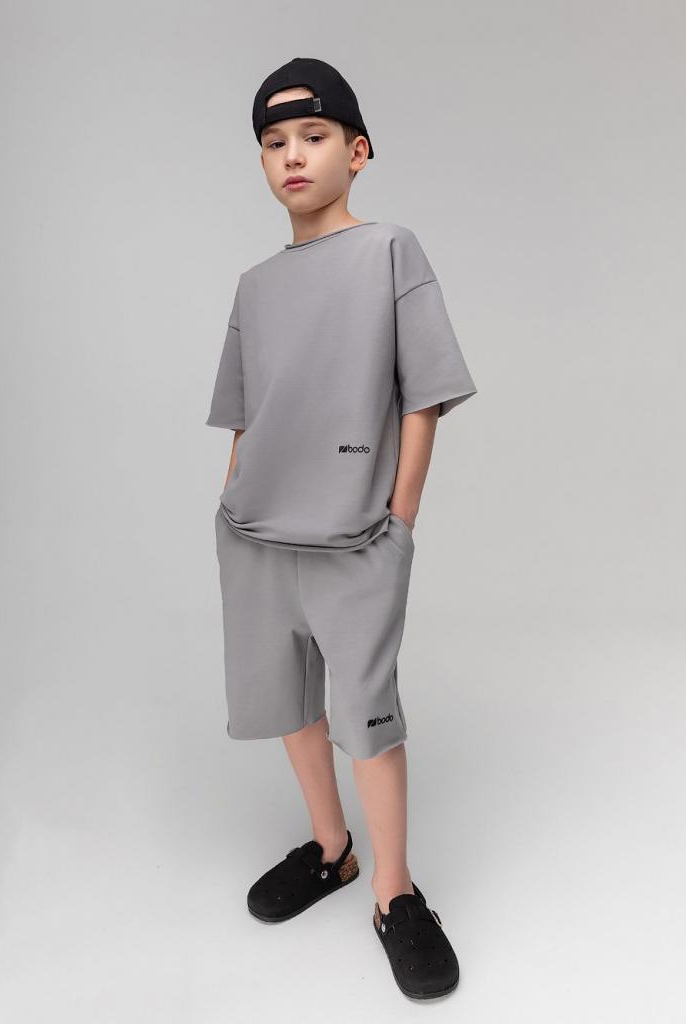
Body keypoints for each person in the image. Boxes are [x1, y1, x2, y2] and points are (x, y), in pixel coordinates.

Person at [205, 57, 477, 1000]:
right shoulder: (253, 286)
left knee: (367, 717)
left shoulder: (390, 251)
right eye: (273, 142)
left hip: (356, 539)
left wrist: (398, 522)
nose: (292, 155)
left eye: (313, 136)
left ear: (356, 151)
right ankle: (331, 849)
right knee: (289, 704)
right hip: (254, 536)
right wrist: (230, 507)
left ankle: (395, 893)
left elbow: (424, 396)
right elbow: (244, 415)